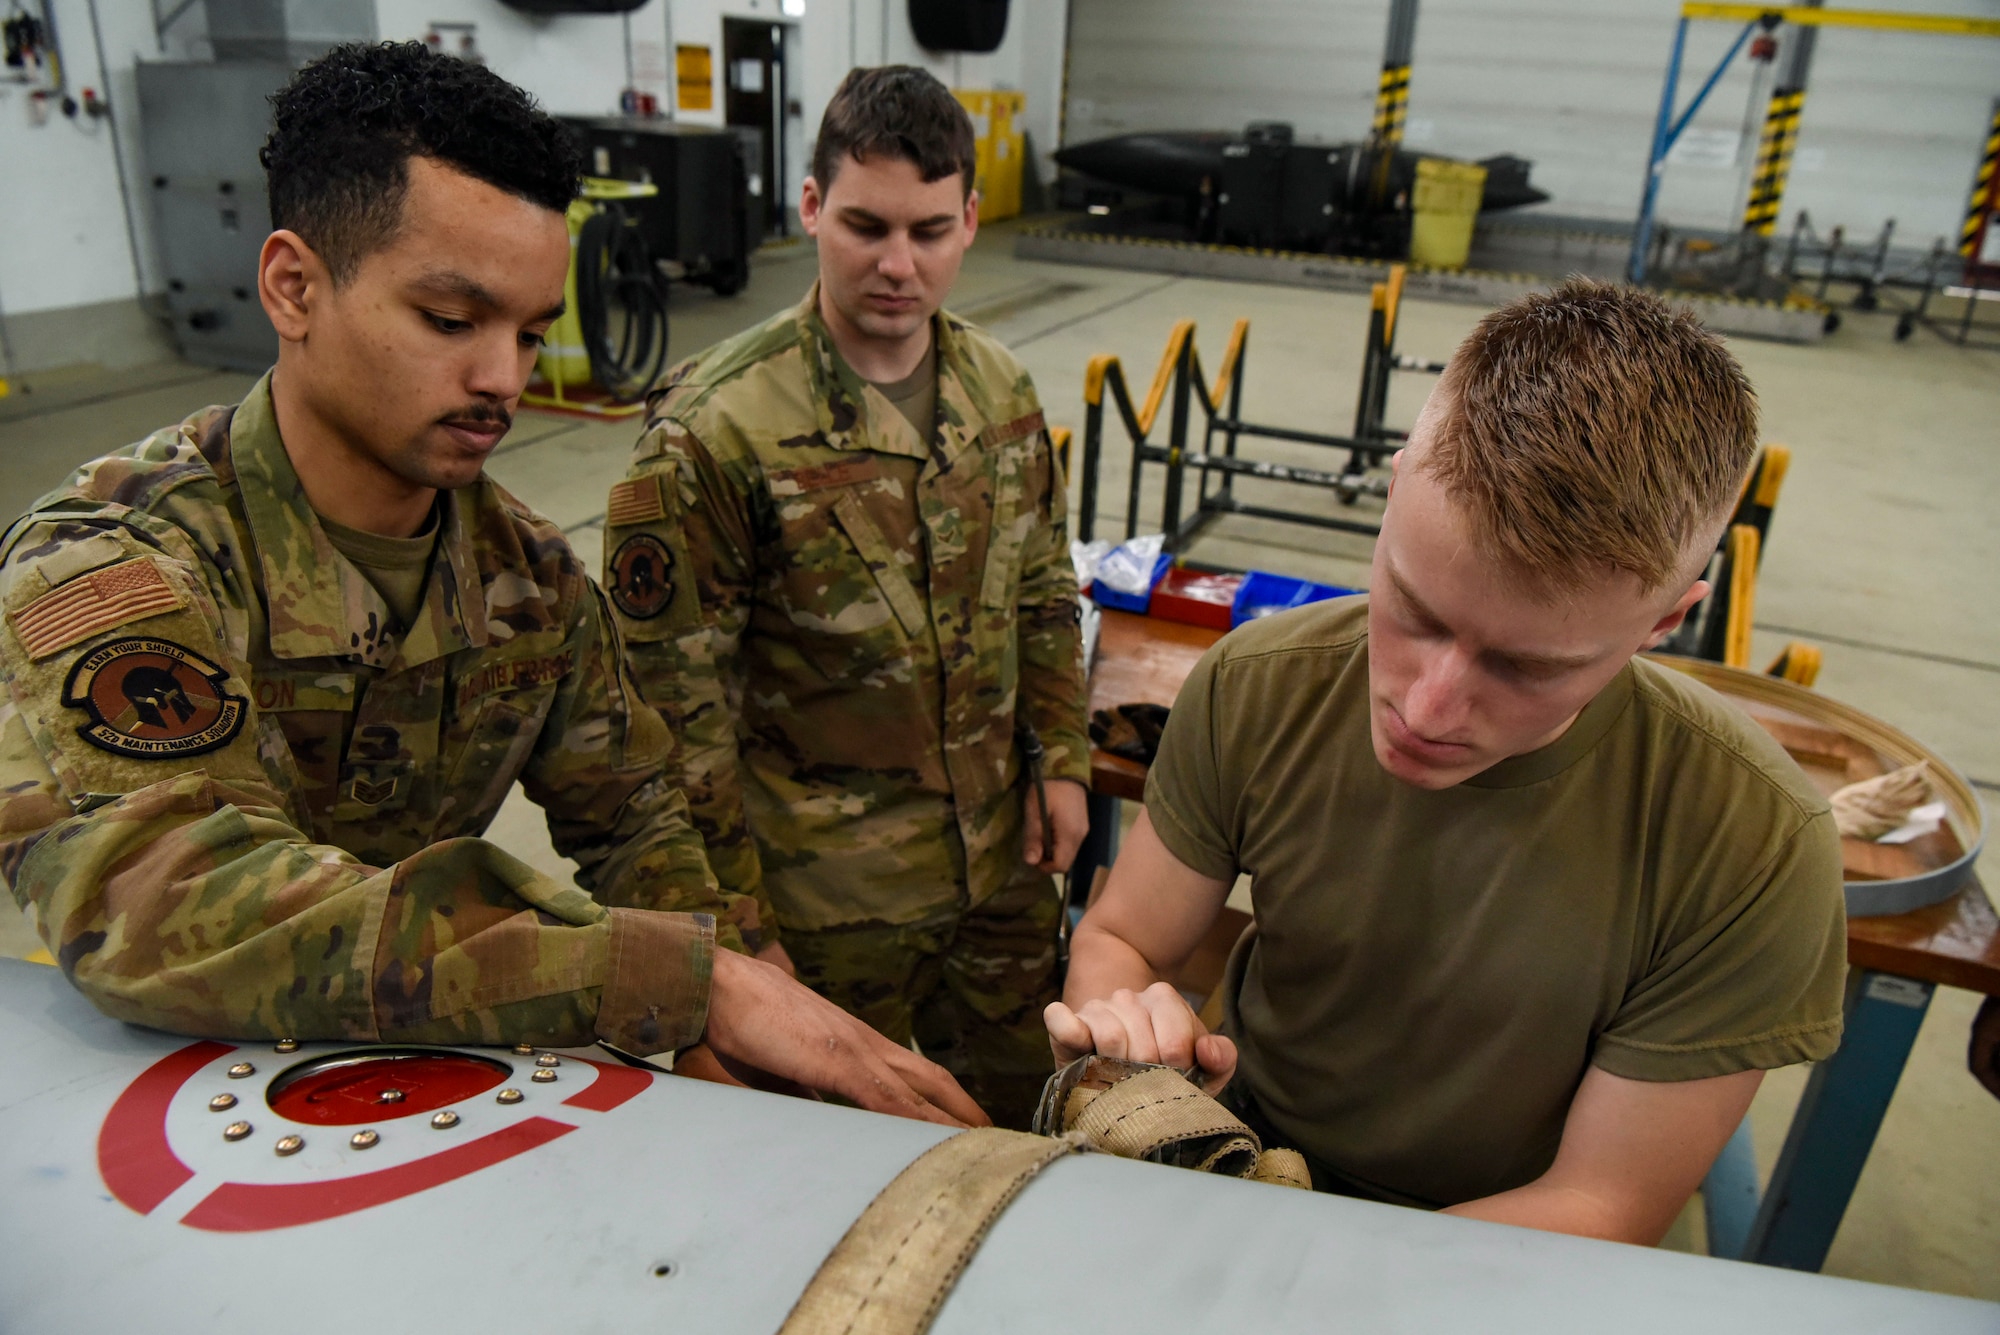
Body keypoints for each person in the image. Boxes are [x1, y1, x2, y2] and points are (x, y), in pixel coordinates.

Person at [0, 43, 983, 1129]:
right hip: (172, 1120)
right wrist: (663, 976)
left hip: (418, 1094)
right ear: (294, 286)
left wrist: (742, 1003)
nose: (502, 381)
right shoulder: (115, 563)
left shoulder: (528, 579)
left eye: (529, 333)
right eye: (450, 320)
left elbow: (636, 819)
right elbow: (170, 908)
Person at [1046, 280, 1848, 1241]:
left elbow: (1602, 1202)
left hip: (1505, 1244)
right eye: (1416, 609)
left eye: (1524, 666)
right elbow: (1122, 937)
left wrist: (1306, 1271)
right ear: (1394, 491)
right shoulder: (1259, 686)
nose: (1427, 708)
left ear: (1667, 620)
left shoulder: (1750, 845)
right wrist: (1126, 1033)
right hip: (1237, 1152)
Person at [603, 66, 1089, 1128]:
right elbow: (668, 721)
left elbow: (1044, 587)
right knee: (820, 1178)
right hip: (822, 912)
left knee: (1029, 1138)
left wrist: (1061, 756)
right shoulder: (714, 432)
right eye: (866, 225)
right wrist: (732, 939)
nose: (897, 264)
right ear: (812, 207)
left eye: (928, 230)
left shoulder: (999, 390)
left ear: (969, 220)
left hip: (999, 881)